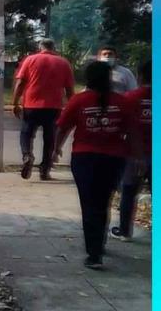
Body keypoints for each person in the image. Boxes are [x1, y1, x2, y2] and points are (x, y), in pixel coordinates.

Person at [53, 61, 141, 269]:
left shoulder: (79, 100)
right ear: (109, 78)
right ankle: (98, 247)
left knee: (88, 203)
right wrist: (137, 158)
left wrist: (56, 149)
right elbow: (134, 133)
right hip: (114, 159)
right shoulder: (122, 102)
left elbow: (63, 127)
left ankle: (94, 253)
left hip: (85, 158)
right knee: (103, 203)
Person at [12, 39, 75, 180]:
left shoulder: (30, 60)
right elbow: (69, 89)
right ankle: (44, 170)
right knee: (50, 139)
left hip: (31, 105)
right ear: (54, 48)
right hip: (54, 106)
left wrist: (15, 103)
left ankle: (27, 155)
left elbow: (20, 83)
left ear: (40, 47)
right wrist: (72, 107)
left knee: (26, 134)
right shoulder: (63, 63)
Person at [111, 60, 151, 242]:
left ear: (139, 76)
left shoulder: (129, 98)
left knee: (129, 191)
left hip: (134, 154)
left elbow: (120, 127)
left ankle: (125, 231)